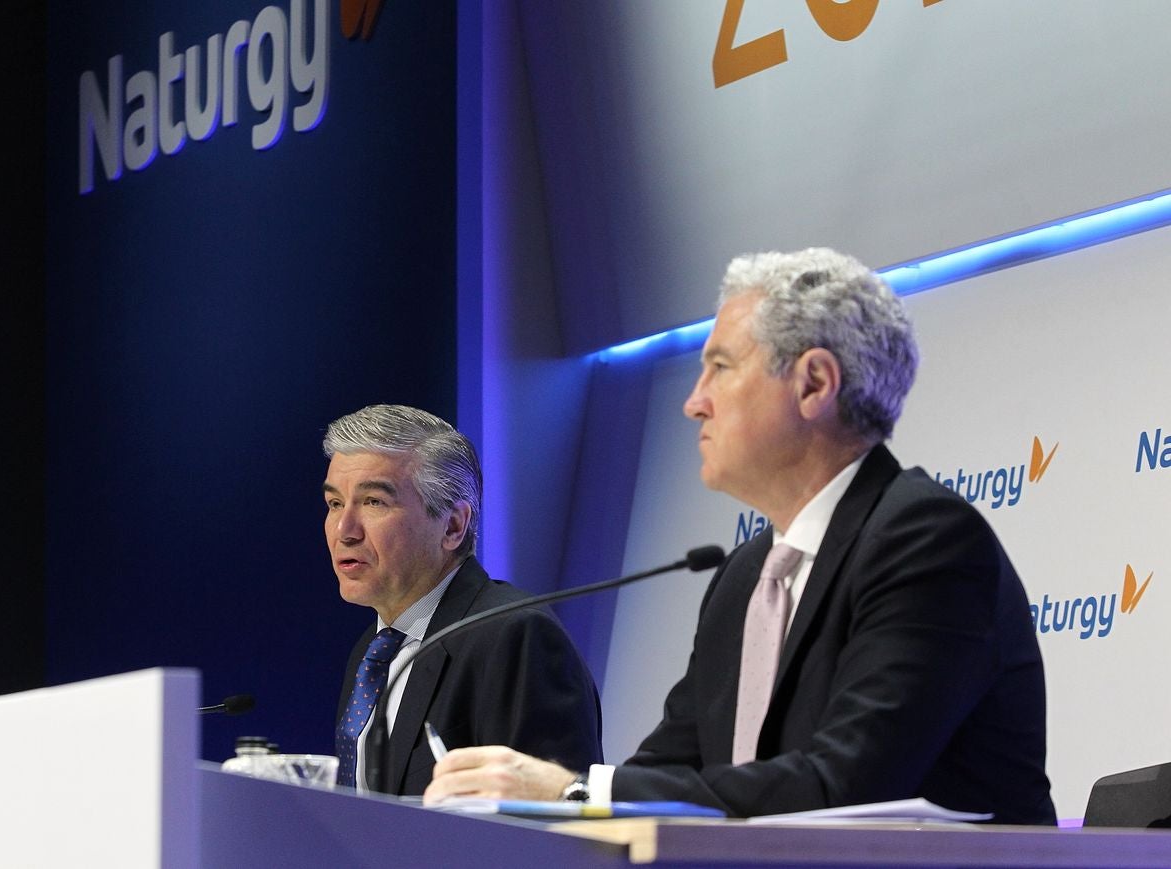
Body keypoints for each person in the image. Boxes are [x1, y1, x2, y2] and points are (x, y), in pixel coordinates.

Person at [424, 248, 1056, 823]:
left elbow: (847, 786)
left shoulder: (925, 540)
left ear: (814, 384)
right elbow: (672, 770)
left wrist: (572, 794)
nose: (693, 402)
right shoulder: (745, 574)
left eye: (719, 367)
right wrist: (530, 804)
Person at [323, 403, 602, 796]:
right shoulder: (370, 654)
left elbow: (560, 824)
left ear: (453, 526)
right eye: (335, 504)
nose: (344, 530)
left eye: (374, 502)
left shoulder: (515, 636)